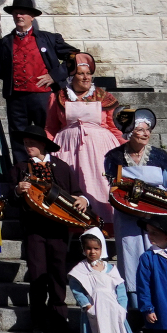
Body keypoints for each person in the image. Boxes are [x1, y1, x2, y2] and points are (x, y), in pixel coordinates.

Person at [13, 124, 87, 333]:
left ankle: (59, 317)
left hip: (59, 227)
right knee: (37, 272)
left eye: (32, 143)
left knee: (58, 272)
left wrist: (82, 200)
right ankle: (38, 320)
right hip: (34, 227)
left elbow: (77, 192)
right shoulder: (20, 168)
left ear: (43, 145)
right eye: (26, 144)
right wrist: (17, 190)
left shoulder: (62, 167)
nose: (28, 147)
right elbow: (8, 198)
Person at [105, 108, 167, 298]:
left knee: (159, 253)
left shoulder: (161, 157)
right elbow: (113, 186)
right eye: (140, 130)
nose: (146, 133)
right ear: (130, 132)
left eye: (148, 129)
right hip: (127, 214)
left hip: (156, 212)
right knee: (132, 256)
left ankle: (163, 299)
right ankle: (138, 303)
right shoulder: (114, 157)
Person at [48, 52, 122, 229]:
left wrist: (122, 150)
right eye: (81, 74)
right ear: (72, 76)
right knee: (71, 185)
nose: (85, 77)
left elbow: (114, 127)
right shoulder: (59, 97)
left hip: (100, 149)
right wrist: (50, 150)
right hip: (67, 148)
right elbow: (50, 127)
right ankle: (73, 225)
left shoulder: (104, 96)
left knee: (99, 185)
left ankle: (104, 226)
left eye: (88, 74)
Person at [68, 227, 140, 333]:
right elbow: (77, 290)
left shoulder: (110, 269)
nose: (92, 252)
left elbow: (120, 289)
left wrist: (122, 308)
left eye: (96, 248)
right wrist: (88, 306)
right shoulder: (80, 270)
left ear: (102, 249)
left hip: (113, 312)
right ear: (83, 249)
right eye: (88, 248)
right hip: (95, 312)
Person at [0, 0, 68, 151]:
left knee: (48, 132)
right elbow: (3, 73)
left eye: (23, 13)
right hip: (16, 98)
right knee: (18, 137)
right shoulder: (5, 42)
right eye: (16, 13)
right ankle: (21, 171)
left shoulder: (49, 39)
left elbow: (75, 57)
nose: (19, 16)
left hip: (43, 96)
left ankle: (51, 166)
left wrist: (54, 76)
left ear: (32, 17)